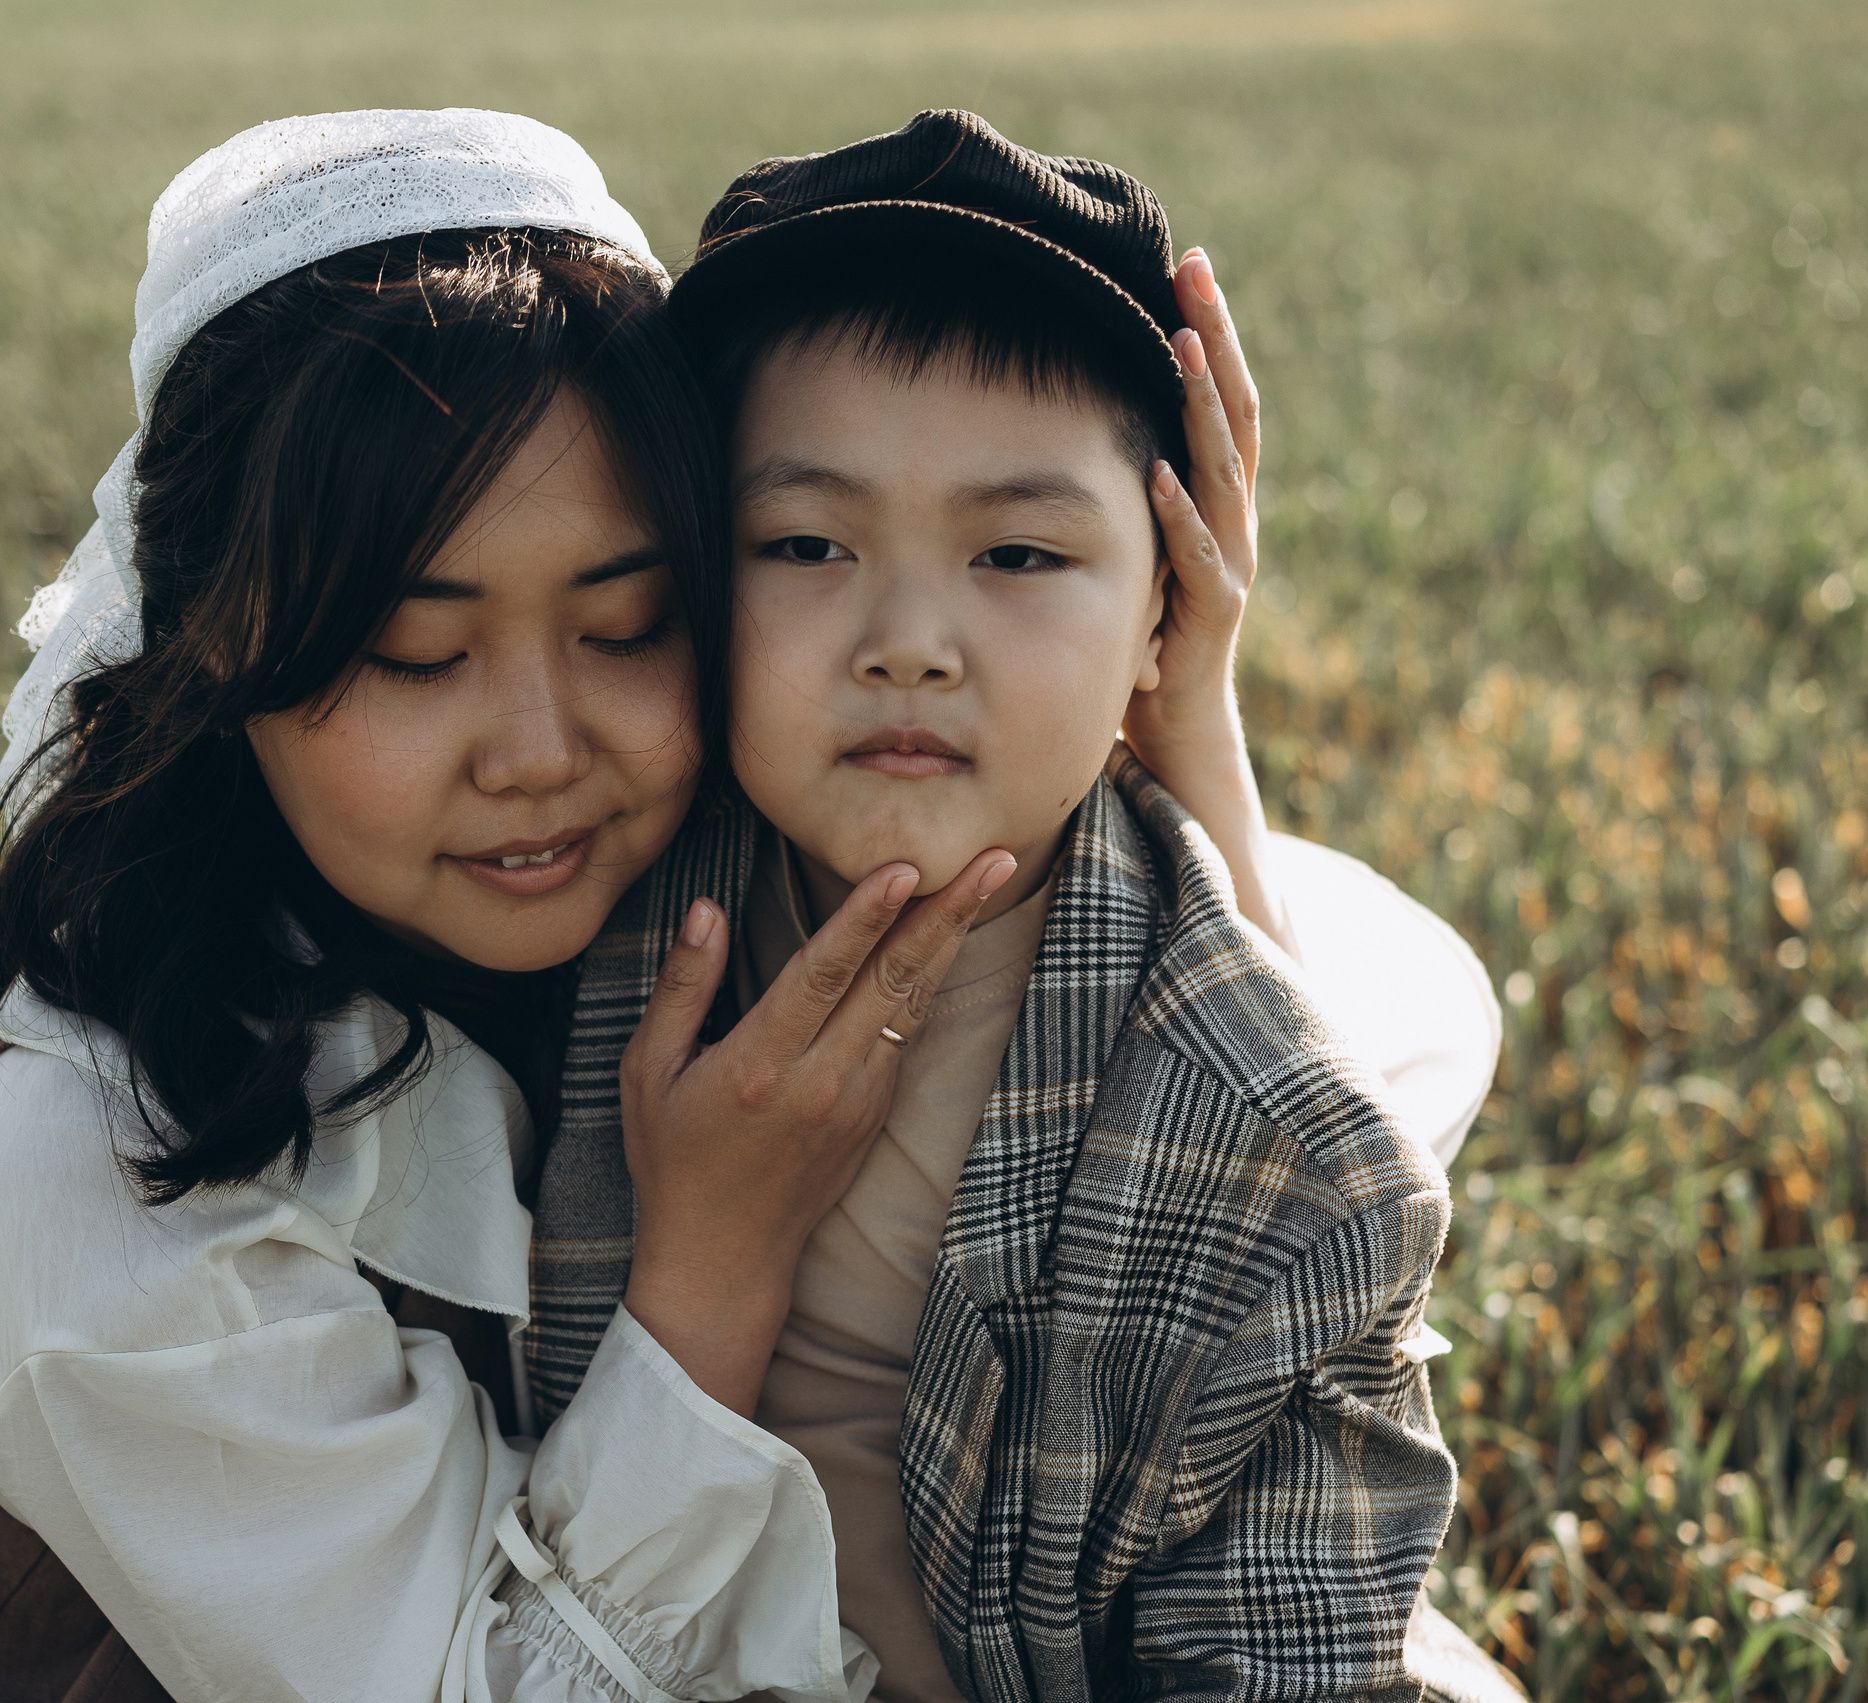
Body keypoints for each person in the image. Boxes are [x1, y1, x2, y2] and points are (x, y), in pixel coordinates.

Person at [0, 108, 1431, 1702]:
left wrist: (1179, 697)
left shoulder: (710, 826)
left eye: (629, 624)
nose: (543, 760)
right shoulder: (93, 1187)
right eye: (412, 656)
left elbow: (1265, 1151)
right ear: (203, 646)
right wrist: (712, 1267)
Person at [527, 111, 1518, 1703]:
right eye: (802, 542)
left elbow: (1287, 1637)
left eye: (1019, 551)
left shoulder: (1276, 1144)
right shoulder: (577, 894)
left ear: (1168, 605)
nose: (909, 638)